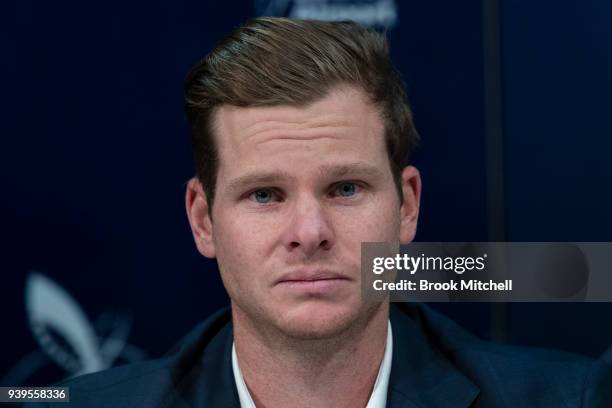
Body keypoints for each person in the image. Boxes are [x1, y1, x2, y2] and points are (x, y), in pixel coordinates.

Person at [40, 17, 610, 407]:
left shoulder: (569, 398)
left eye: (345, 189)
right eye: (264, 194)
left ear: (407, 206)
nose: (309, 233)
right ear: (203, 220)